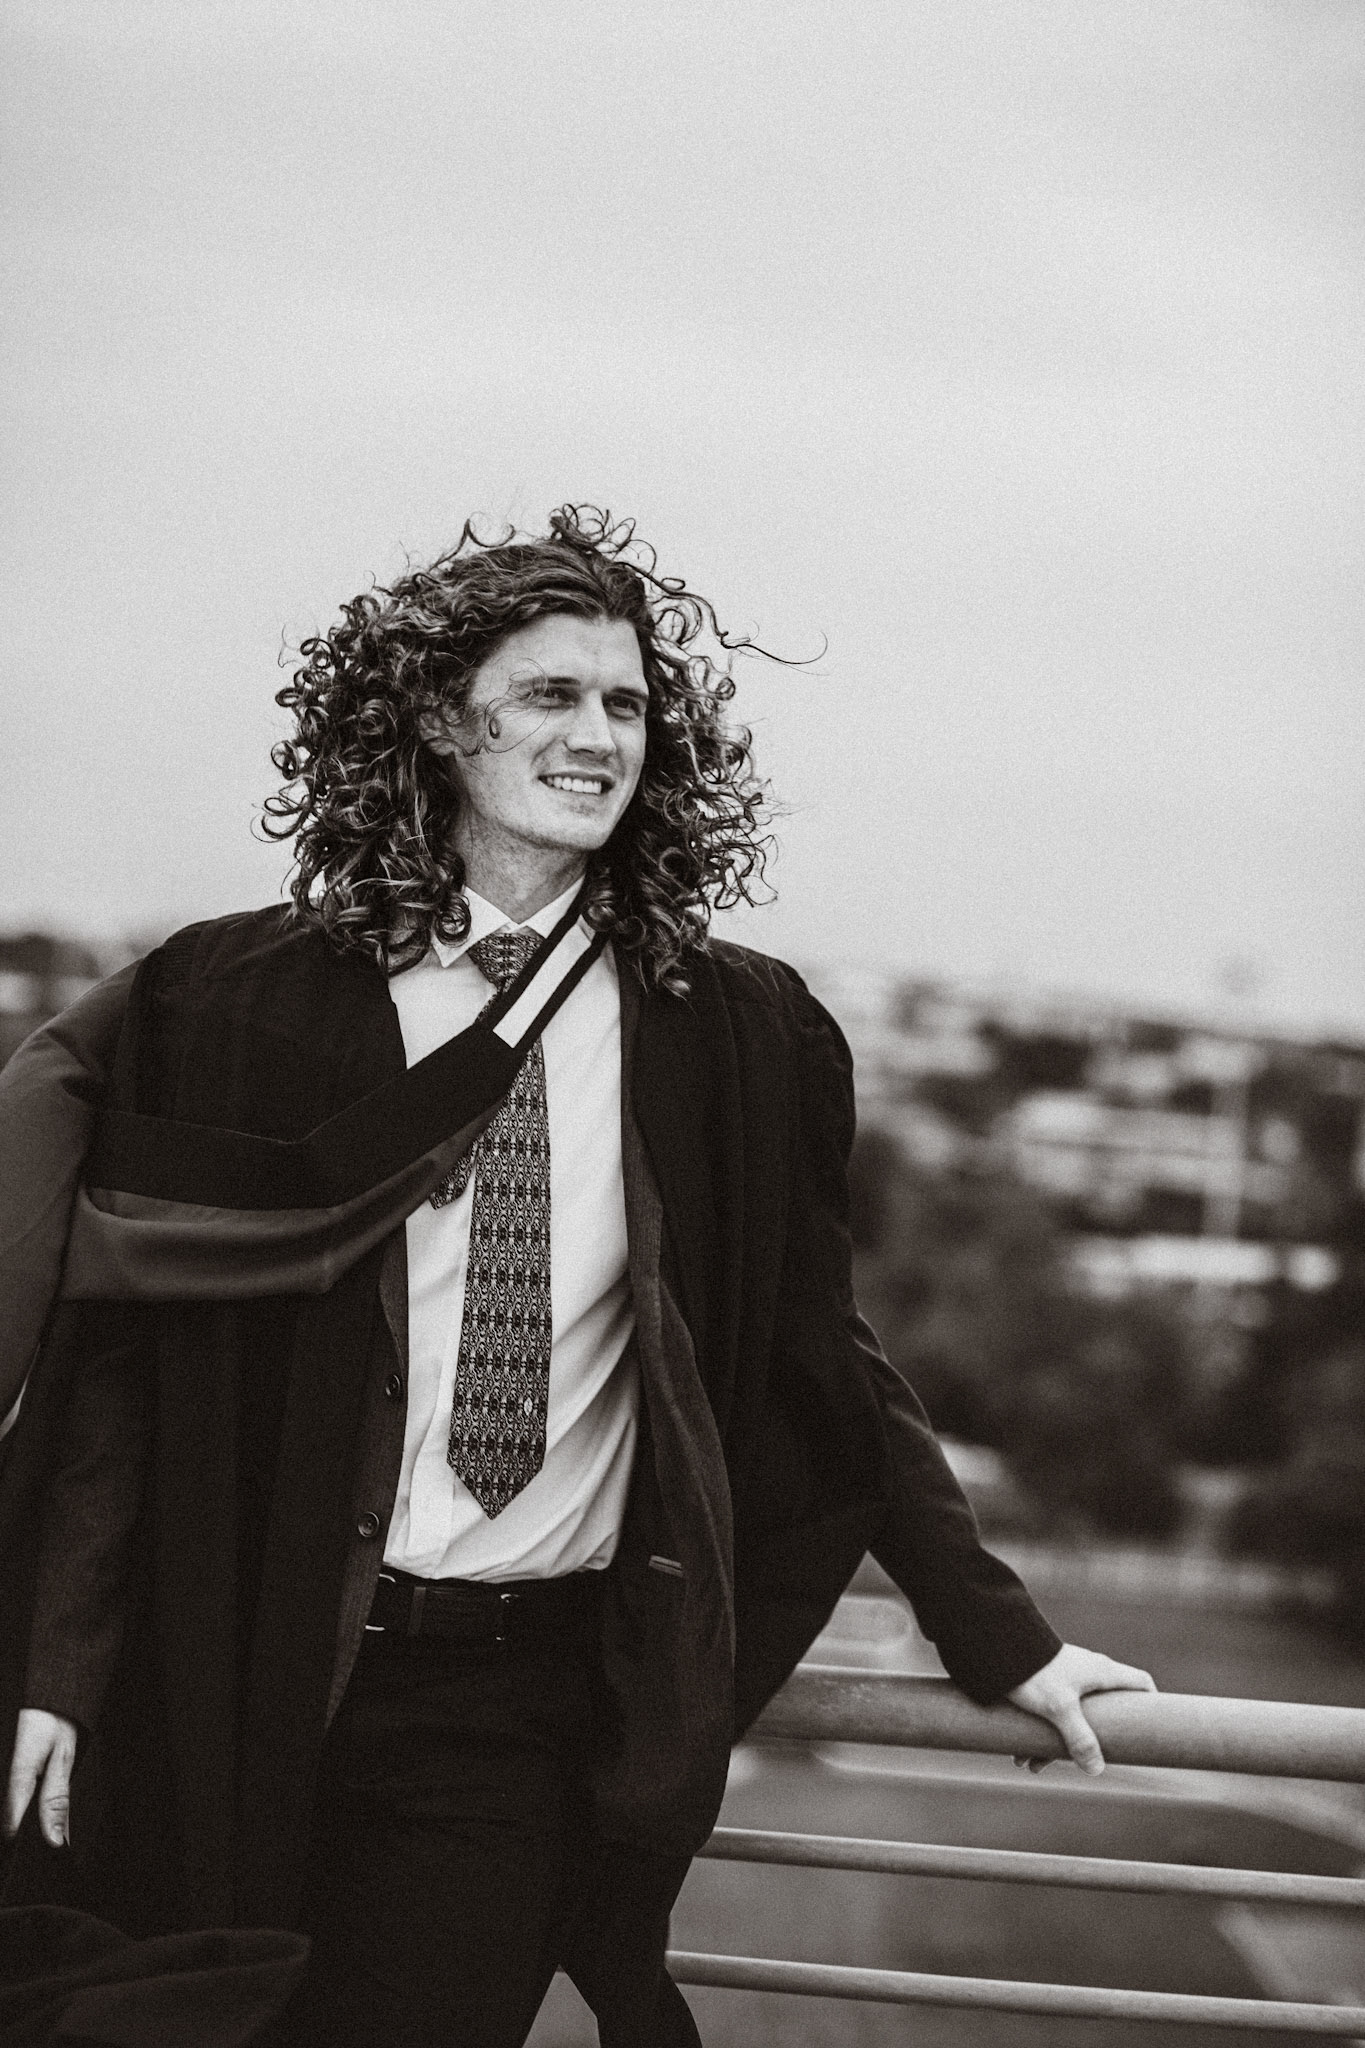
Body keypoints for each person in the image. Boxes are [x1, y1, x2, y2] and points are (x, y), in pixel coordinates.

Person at [1, 506, 1153, 2047]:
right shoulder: (230, 1000)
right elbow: (127, 1365)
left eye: (625, 703)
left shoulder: (741, 1038)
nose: (598, 736)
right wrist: (57, 1668)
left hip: (512, 1708)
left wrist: (996, 1635)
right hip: (229, 1669)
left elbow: (820, 1356)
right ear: (435, 716)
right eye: (550, 694)